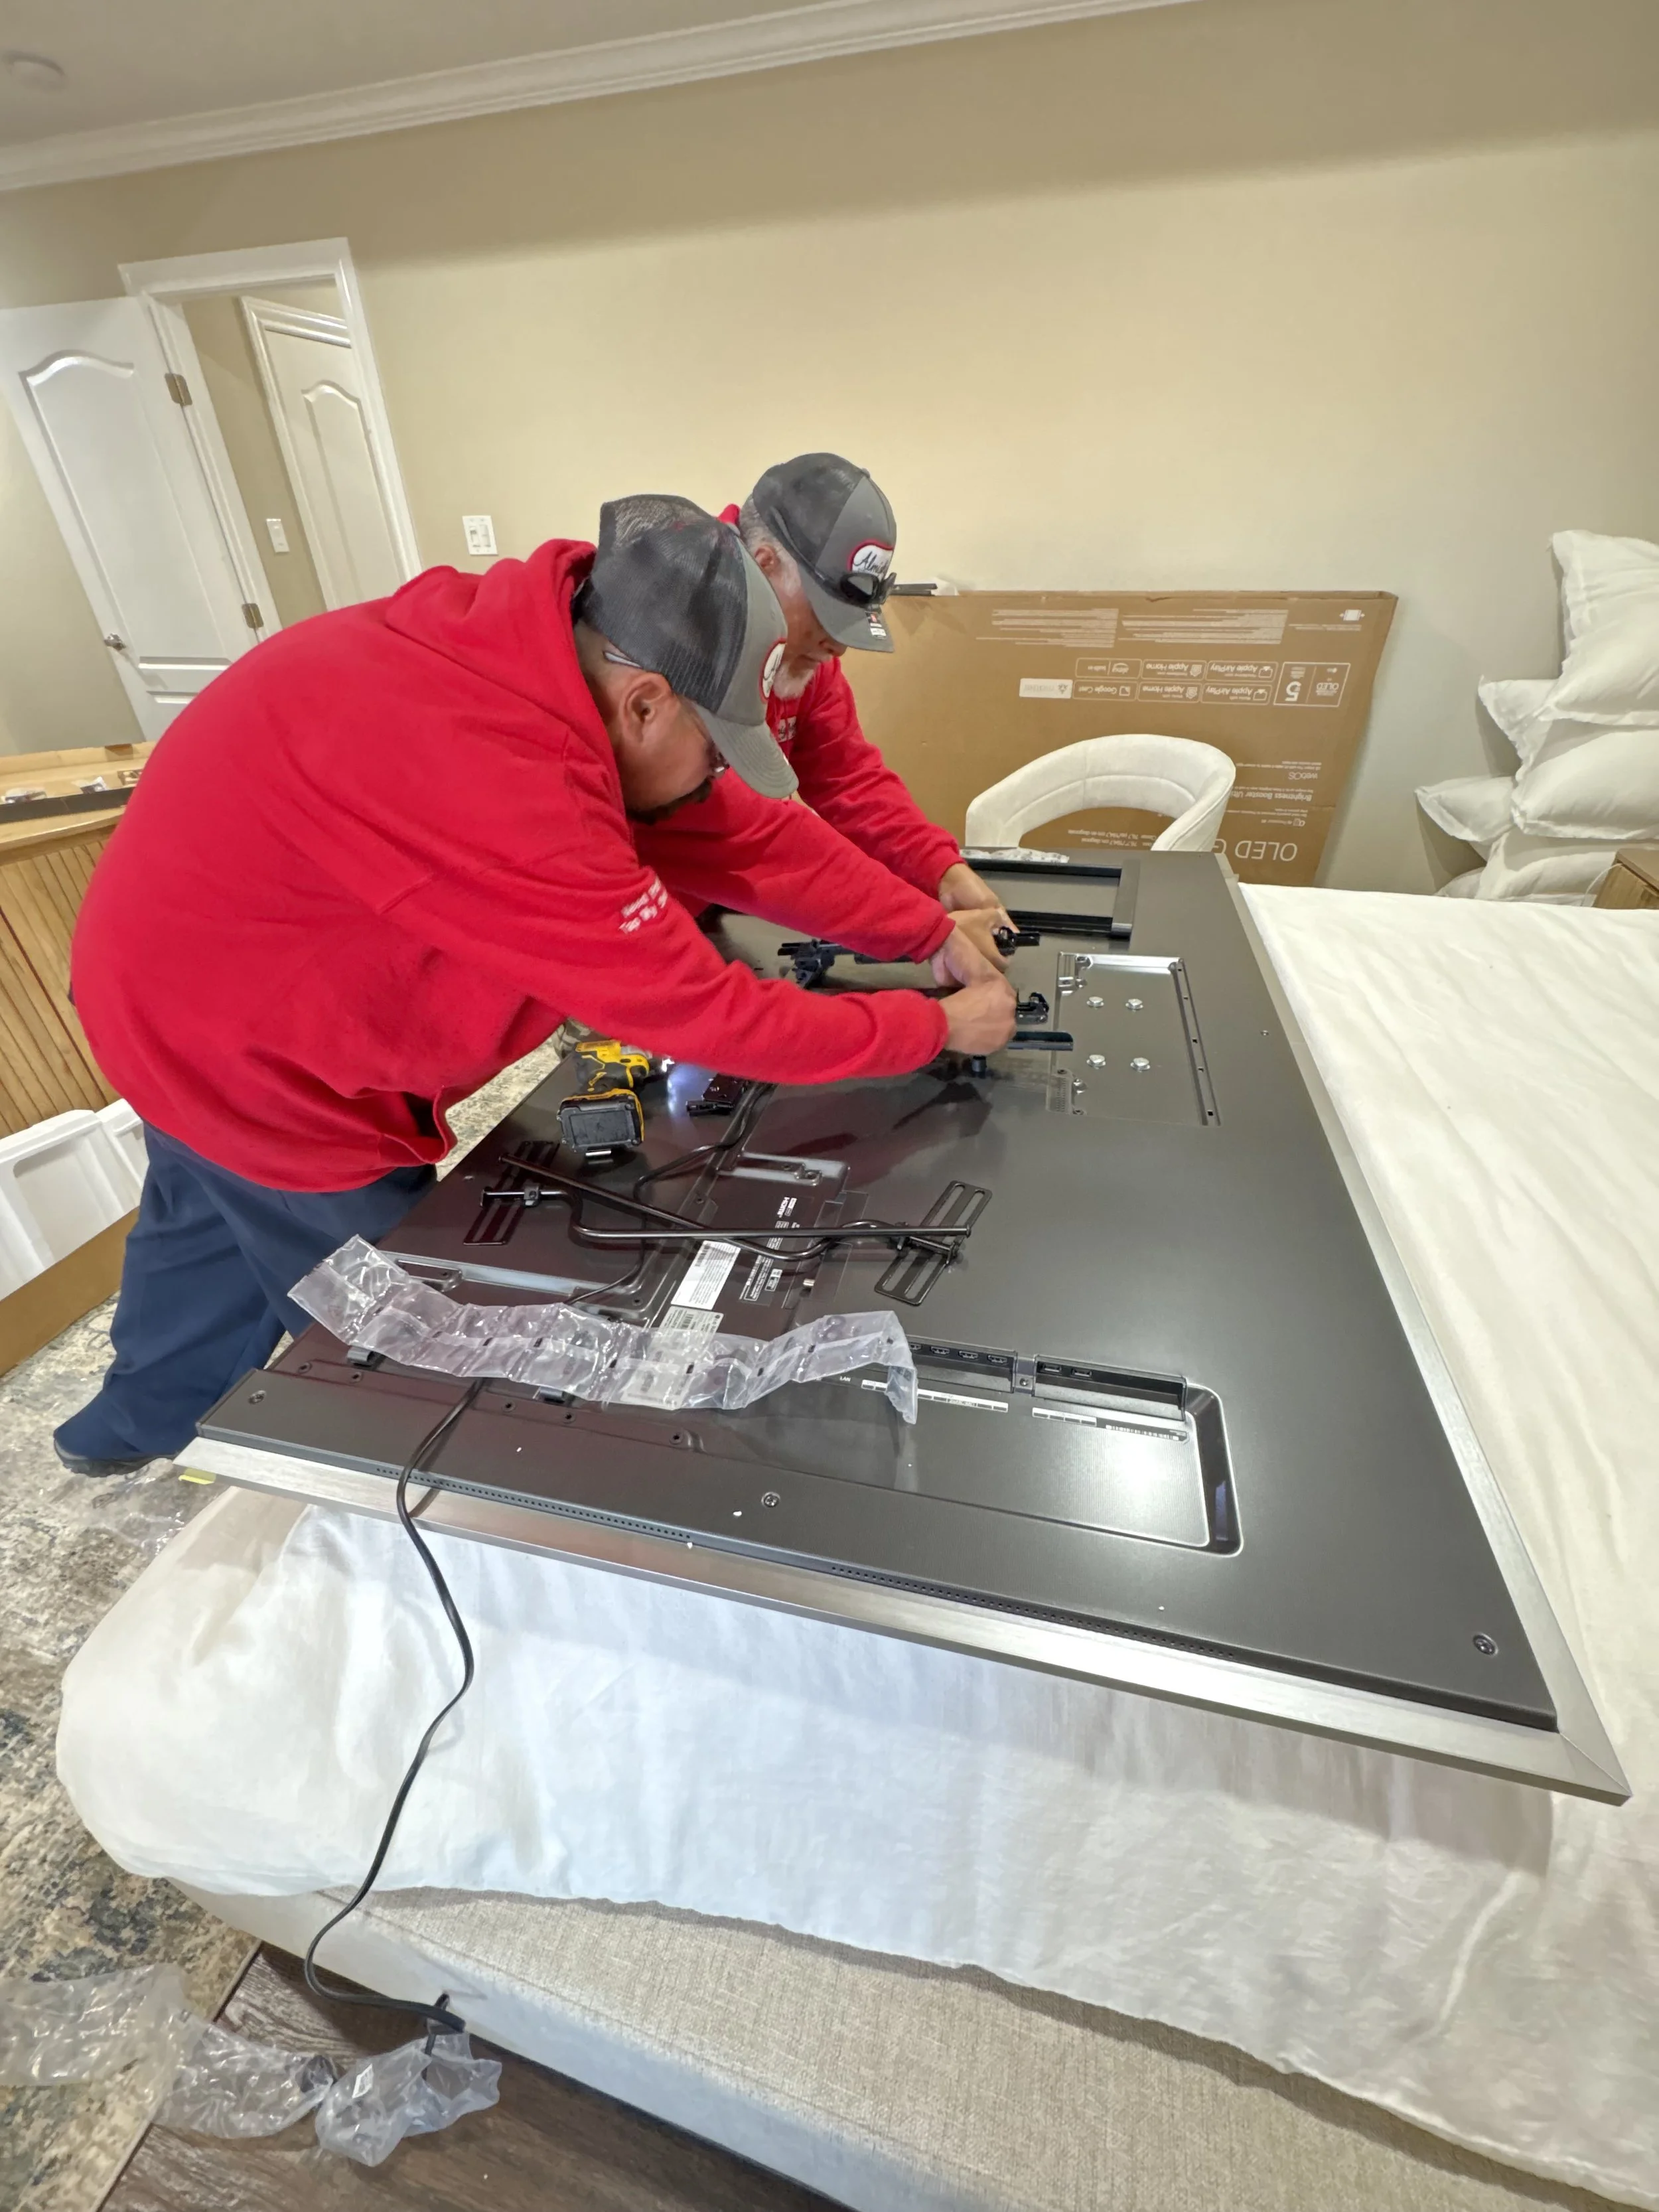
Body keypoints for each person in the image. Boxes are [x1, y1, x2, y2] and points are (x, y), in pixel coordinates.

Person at [56, 495, 1014, 1476]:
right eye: (717, 746)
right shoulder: (505, 773)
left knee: (207, 1216)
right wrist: (929, 1028)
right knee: (411, 1337)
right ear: (646, 702)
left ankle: (131, 1428)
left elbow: (736, 830)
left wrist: (926, 931)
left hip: (168, 981)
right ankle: (388, 1514)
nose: (720, 773)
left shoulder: (563, 650)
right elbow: (699, 1010)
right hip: (245, 1048)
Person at [707, 453, 1010, 950]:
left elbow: (848, 777)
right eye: (827, 616)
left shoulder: (799, 651)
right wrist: (923, 929)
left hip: (712, 901)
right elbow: (747, 828)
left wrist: (942, 871)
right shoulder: (684, 631)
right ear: (764, 565)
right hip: (624, 912)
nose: (838, 647)